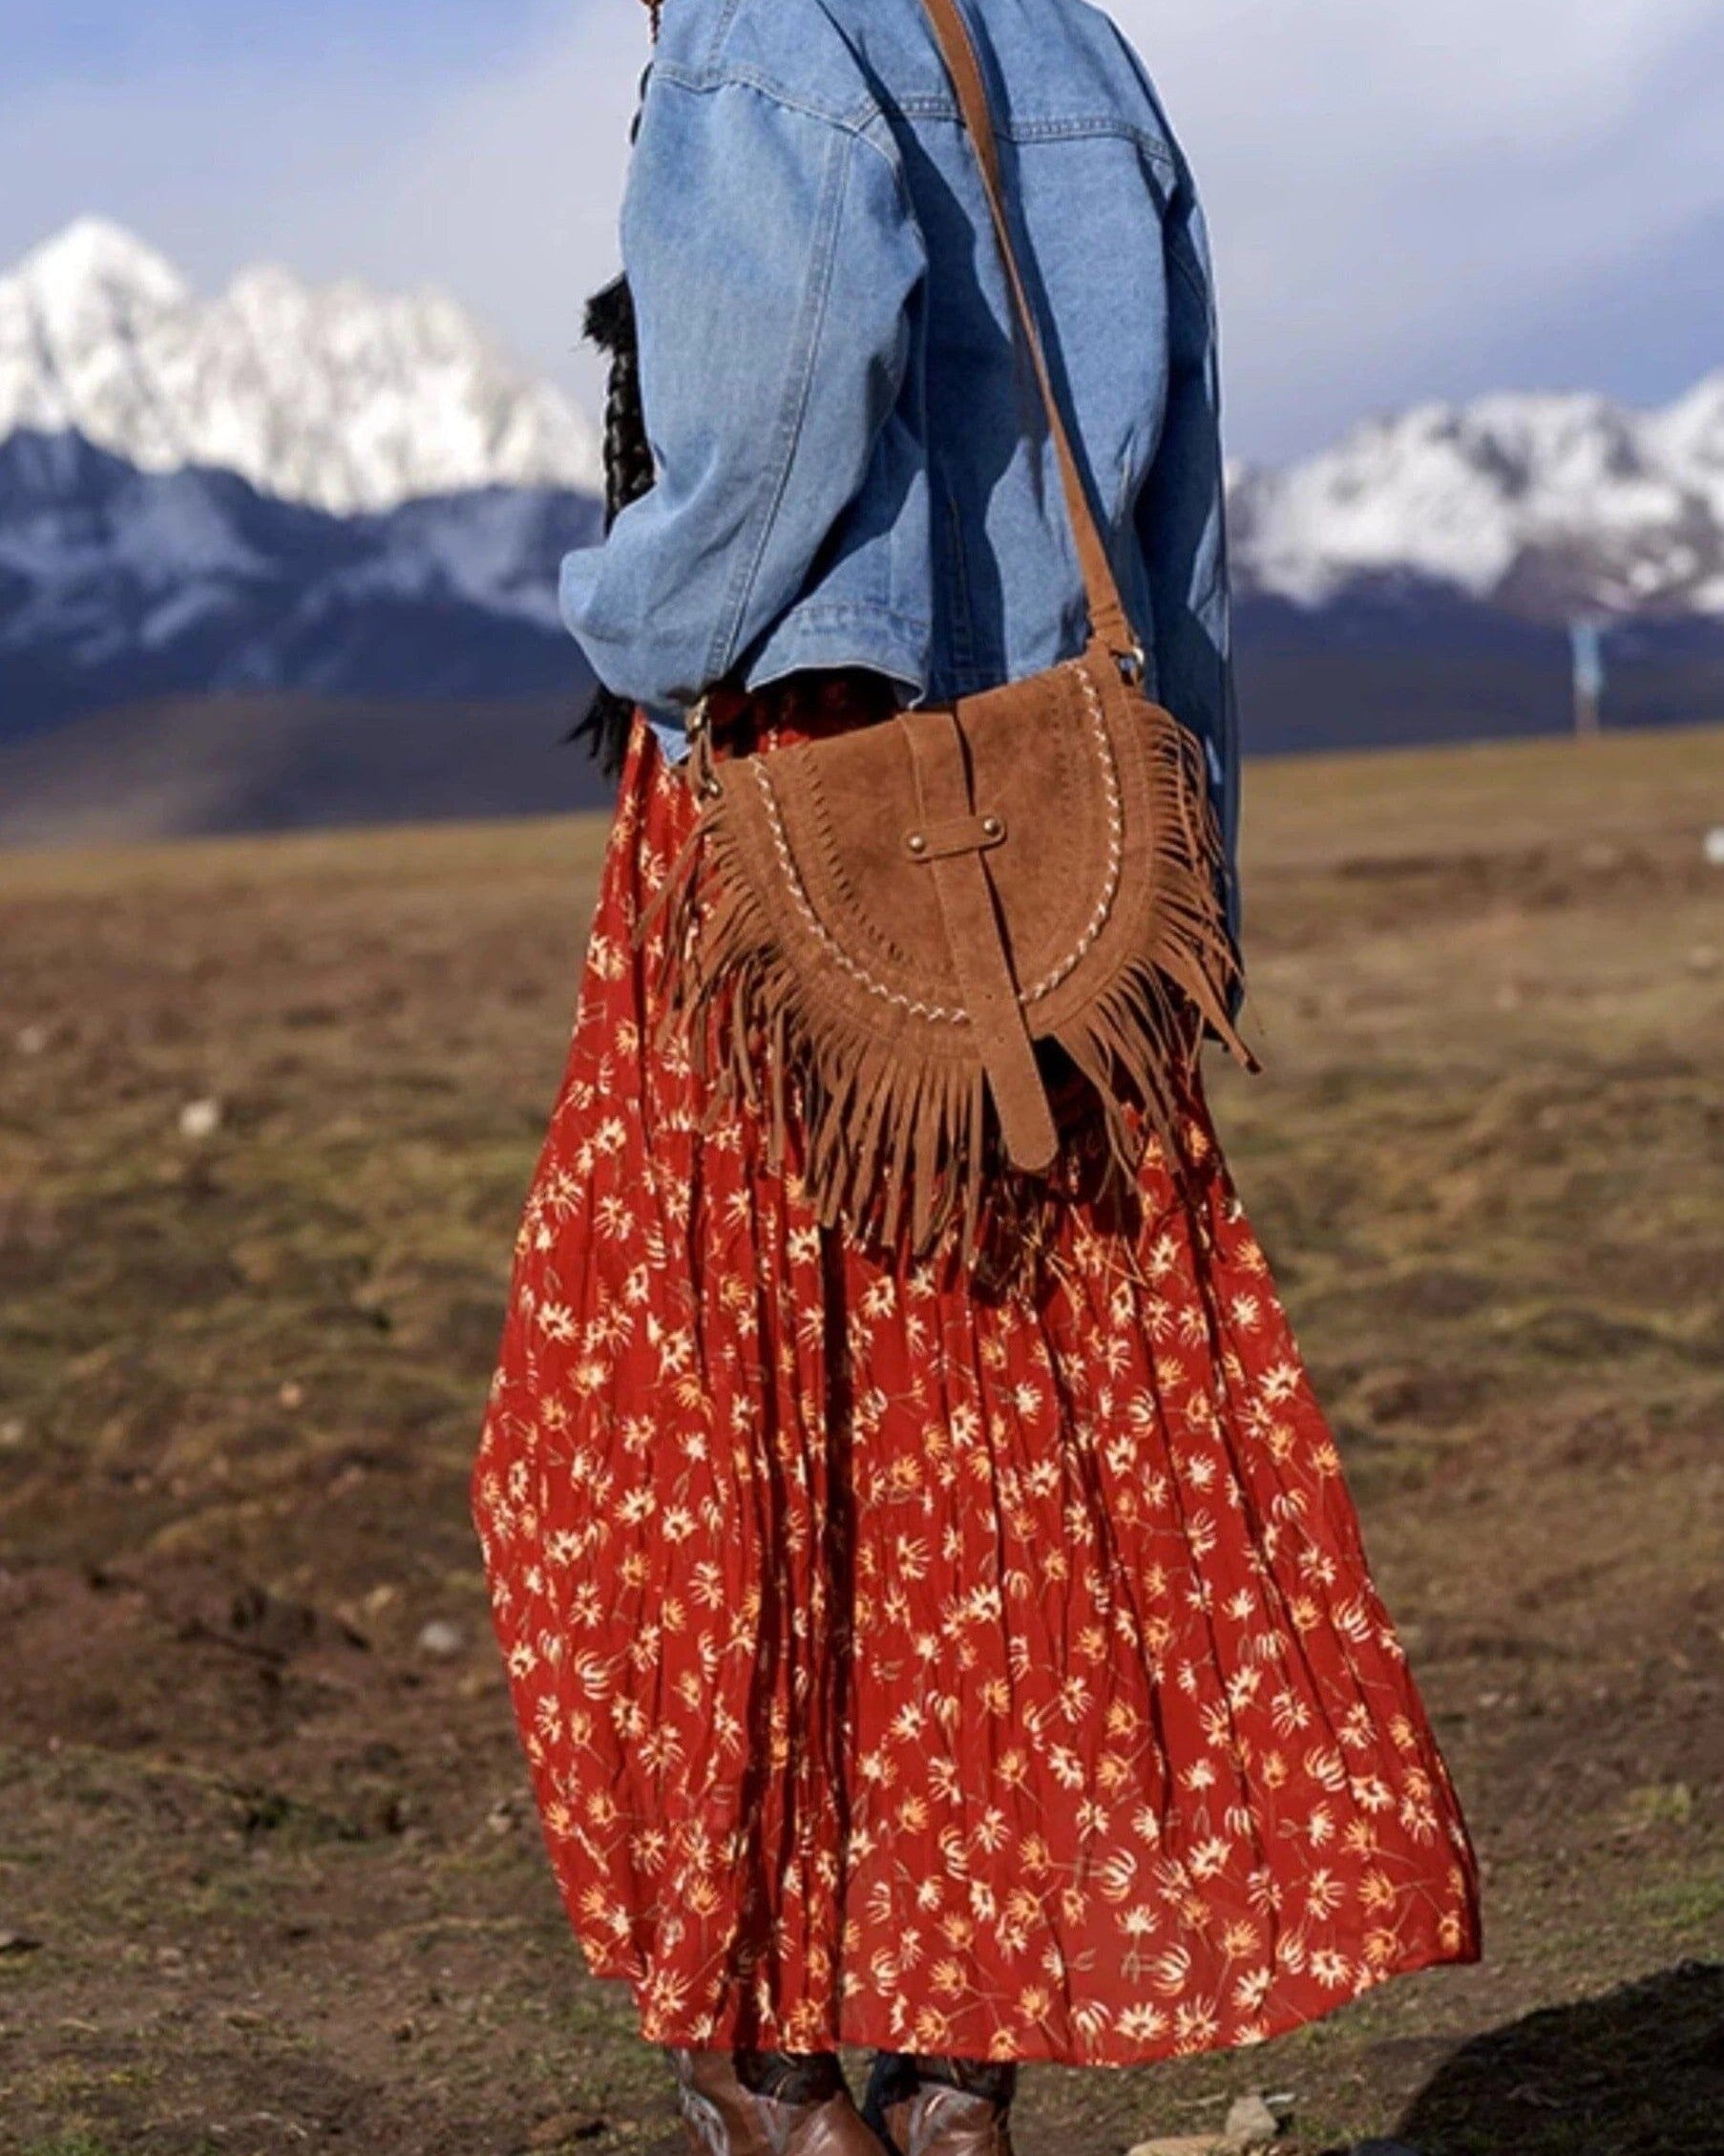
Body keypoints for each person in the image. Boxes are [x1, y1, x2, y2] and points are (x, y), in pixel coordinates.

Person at [471, 2, 1482, 2152]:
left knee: (646, 1445)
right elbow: (1174, 528)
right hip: (1063, 862)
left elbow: (770, 419)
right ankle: (947, 2077)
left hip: (798, 852)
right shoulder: (1082, 51)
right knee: (994, 1461)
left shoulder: (760, 33)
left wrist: (619, 624)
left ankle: (770, 2060)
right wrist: (1174, 878)